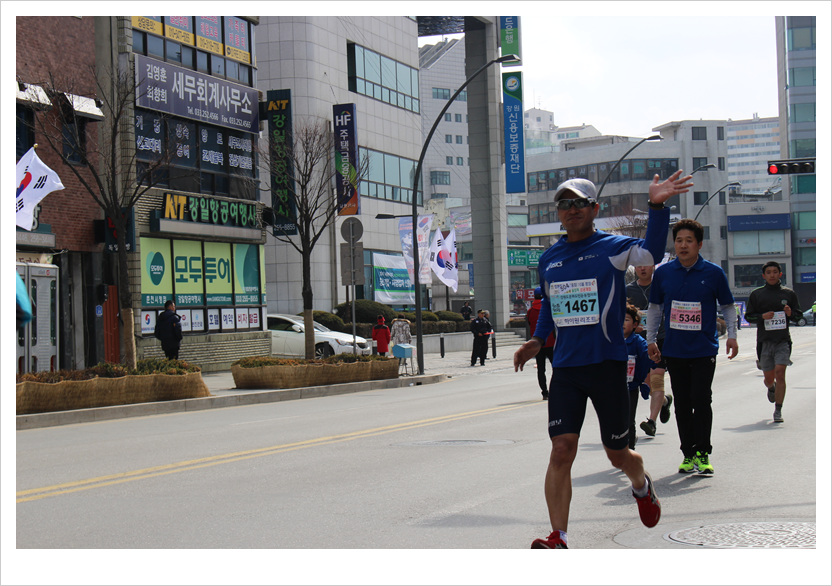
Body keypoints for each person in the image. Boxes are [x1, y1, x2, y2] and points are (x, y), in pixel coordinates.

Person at [514, 171, 692, 548]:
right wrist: (536, 341)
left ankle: (641, 484)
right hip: (566, 369)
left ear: (595, 209)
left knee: (617, 454)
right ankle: (558, 537)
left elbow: (651, 254)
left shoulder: (613, 247)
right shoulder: (549, 259)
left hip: (607, 366)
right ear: (558, 213)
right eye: (565, 204)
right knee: (561, 449)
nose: (572, 209)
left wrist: (656, 207)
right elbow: (550, 306)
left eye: (580, 203)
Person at [646, 219, 738, 475]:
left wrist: (732, 335)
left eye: (689, 241)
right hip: (674, 349)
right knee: (683, 404)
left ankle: (703, 452)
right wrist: (650, 339)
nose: (683, 245)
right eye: (679, 241)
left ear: (699, 244)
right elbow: (655, 309)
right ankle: (688, 453)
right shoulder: (663, 273)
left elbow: (728, 306)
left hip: (703, 349)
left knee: (701, 399)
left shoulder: (713, 273)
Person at [744, 261, 802, 423]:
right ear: (764, 276)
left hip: (783, 341)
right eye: (768, 272)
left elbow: (798, 316)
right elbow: (748, 316)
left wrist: (790, 313)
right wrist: (762, 316)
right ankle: (771, 387)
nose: (772, 275)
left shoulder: (788, 294)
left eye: (775, 272)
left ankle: (778, 410)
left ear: (780, 274)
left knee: (780, 373)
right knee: (769, 378)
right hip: (764, 341)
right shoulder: (757, 294)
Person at [625, 264, 673, 438]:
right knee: (646, 380)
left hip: (660, 339)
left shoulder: (662, 287)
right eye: (639, 266)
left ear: (653, 267)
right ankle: (665, 401)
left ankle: (651, 421)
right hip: (636, 342)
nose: (643, 269)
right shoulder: (628, 290)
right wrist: (633, 326)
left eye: (646, 266)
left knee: (657, 377)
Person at [624, 303, 652, 450]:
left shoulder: (638, 343)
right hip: (613, 389)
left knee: (629, 421)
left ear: (635, 324)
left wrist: (643, 383)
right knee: (616, 421)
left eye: (626, 320)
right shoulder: (611, 341)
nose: (622, 323)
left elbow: (645, 363)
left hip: (631, 388)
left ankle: (630, 450)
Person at [526, 286, 555, 399]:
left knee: (541, 370)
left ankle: (544, 392)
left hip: (538, 344)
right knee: (556, 368)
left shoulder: (530, 311)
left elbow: (529, 324)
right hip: (551, 343)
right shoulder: (549, 308)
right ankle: (555, 390)